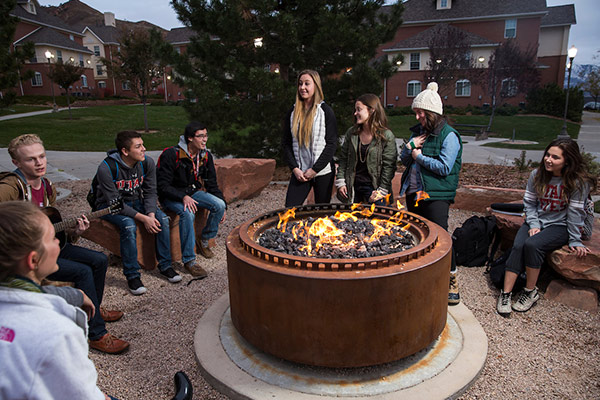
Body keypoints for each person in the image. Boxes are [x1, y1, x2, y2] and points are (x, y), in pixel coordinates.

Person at [0, 134, 129, 354]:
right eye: (31, 159)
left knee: (98, 260)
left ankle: (93, 307)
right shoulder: (10, 189)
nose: (39, 163)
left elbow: (50, 223)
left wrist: (74, 231)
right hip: (27, 257)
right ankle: (96, 334)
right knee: (82, 272)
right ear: (16, 163)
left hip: (50, 246)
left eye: (42, 156)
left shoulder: (47, 185)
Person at [0, 201, 114, 400]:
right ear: (33, 260)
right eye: (52, 239)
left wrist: (75, 295)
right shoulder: (57, 331)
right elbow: (85, 396)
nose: (58, 244)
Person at [496, 138, 596, 315]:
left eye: (555, 158)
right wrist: (533, 224)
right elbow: (530, 203)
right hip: (537, 220)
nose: (548, 160)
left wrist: (575, 239)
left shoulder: (578, 182)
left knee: (533, 245)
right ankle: (506, 293)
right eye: (547, 155)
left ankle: (530, 291)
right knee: (519, 245)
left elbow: (575, 214)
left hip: (561, 225)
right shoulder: (537, 174)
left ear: (568, 161)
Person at [94, 131, 182, 296]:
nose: (144, 149)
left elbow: (150, 192)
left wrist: (150, 214)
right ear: (125, 151)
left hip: (137, 202)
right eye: (138, 146)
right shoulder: (106, 168)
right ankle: (132, 276)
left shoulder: (146, 163)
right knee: (128, 226)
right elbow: (115, 204)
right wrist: (142, 218)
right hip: (108, 207)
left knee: (162, 219)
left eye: (142, 145)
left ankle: (165, 266)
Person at [399, 82, 463, 305]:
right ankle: (425, 276)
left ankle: (451, 279)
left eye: (420, 113)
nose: (417, 117)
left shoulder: (449, 136)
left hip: (436, 194)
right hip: (414, 191)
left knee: (441, 236)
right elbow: (404, 160)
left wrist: (419, 157)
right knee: (419, 233)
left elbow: (445, 167)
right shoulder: (418, 133)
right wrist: (409, 147)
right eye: (416, 112)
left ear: (432, 113)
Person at [157, 121, 226, 278]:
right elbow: (162, 186)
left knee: (219, 205)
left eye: (206, 135)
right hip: (171, 196)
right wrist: (183, 197)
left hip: (192, 193)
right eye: (200, 136)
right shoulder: (171, 154)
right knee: (188, 213)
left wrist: (224, 206)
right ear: (189, 138)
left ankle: (204, 239)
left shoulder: (205, 155)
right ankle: (189, 261)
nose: (204, 140)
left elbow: (212, 184)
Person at [282, 69, 337, 207]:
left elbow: (331, 144)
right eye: (300, 84)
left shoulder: (326, 112)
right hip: (300, 172)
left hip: (322, 172)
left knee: (322, 214)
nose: (302, 87)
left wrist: (314, 170)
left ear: (316, 86)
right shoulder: (292, 112)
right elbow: (286, 143)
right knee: (290, 210)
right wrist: (294, 169)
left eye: (307, 84)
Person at [335, 93, 397, 205]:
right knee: (351, 221)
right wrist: (341, 182)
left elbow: (389, 166)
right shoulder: (352, 133)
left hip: (374, 188)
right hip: (353, 187)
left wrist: (382, 190)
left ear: (372, 110)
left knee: (377, 221)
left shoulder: (386, 136)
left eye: (359, 109)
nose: (355, 113)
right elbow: (343, 159)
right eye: (355, 110)